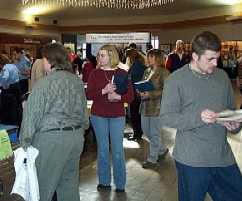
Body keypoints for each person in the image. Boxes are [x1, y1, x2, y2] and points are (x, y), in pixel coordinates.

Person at [160, 31, 242, 201]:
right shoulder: (176, 80)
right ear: (195, 56)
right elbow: (166, 118)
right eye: (210, 59)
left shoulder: (222, 76)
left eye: (217, 58)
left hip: (222, 156)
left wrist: (234, 124)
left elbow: (230, 110)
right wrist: (199, 117)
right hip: (192, 160)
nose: (215, 63)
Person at [19, 43, 89, 201]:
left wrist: (25, 142)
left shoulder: (44, 84)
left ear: (49, 60)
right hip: (76, 138)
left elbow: (31, 116)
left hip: (51, 141)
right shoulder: (76, 81)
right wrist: (81, 131)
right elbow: (84, 113)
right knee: (69, 187)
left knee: (43, 188)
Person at [86, 44, 134, 193]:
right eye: (99, 55)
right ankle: (104, 181)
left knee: (118, 150)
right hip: (98, 115)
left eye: (103, 55)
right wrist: (104, 90)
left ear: (111, 56)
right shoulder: (95, 73)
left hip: (117, 115)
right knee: (103, 149)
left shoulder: (122, 73)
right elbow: (88, 95)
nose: (99, 57)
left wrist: (118, 97)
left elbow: (131, 96)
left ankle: (120, 184)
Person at [138, 49, 169, 169]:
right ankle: (162, 149)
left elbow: (167, 90)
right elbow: (142, 84)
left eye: (150, 56)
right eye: (148, 56)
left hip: (157, 107)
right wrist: (140, 91)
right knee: (146, 131)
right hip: (145, 106)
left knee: (155, 134)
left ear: (157, 58)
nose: (148, 58)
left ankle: (152, 159)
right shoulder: (147, 71)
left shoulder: (164, 72)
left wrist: (150, 94)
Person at [126, 48, 145, 141]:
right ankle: (138, 133)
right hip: (137, 93)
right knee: (137, 115)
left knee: (134, 115)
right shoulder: (139, 64)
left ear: (130, 57)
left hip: (135, 94)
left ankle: (137, 133)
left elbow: (133, 79)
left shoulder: (137, 66)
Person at [0, 54, 22, 127]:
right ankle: (17, 126)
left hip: (9, 91)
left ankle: (8, 128)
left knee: (8, 112)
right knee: (17, 108)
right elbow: (19, 74)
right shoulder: (13, 65)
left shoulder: (5, 67)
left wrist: (2, 84)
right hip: (17, 88)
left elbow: (4, 79)